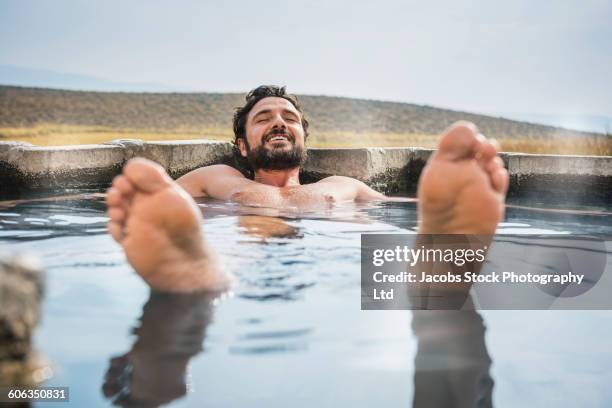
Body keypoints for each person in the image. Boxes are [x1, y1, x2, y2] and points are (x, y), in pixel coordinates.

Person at [105, 85, 509, 292]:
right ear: (243, 146)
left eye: (290, 118)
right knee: (233, 251)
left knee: (384, 253)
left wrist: (441, 209)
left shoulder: (344, 186)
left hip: (333, 249)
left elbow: (399, 209)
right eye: (263, 118)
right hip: (245, 245)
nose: (279, 122)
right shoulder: (219, 179)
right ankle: (197, 273)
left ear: (303, 138)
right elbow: (156, 201)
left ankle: (436, 261)